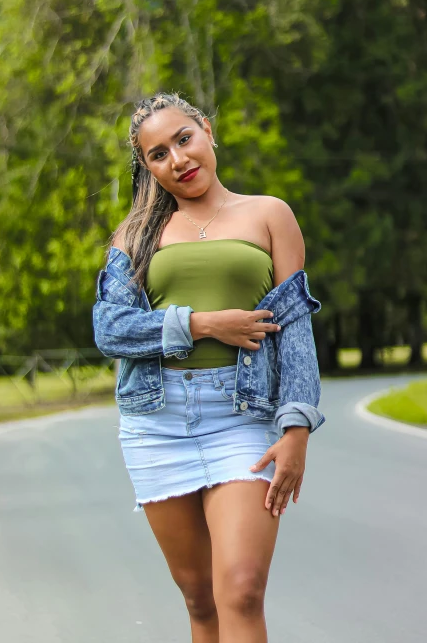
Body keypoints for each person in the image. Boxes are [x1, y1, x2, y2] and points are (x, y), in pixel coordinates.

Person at [93, 92, 325, 643]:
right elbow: (110, 329)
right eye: (157, 154)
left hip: (242, 419)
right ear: (147, 167)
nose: (177, 159)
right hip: (156, 424)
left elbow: (295, 326)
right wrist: (201, 324)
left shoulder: (269, 214)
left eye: (183, 139)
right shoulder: (135, 236)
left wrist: (297, 425)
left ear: (206, 131)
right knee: (200, 600)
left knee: (241, 589)